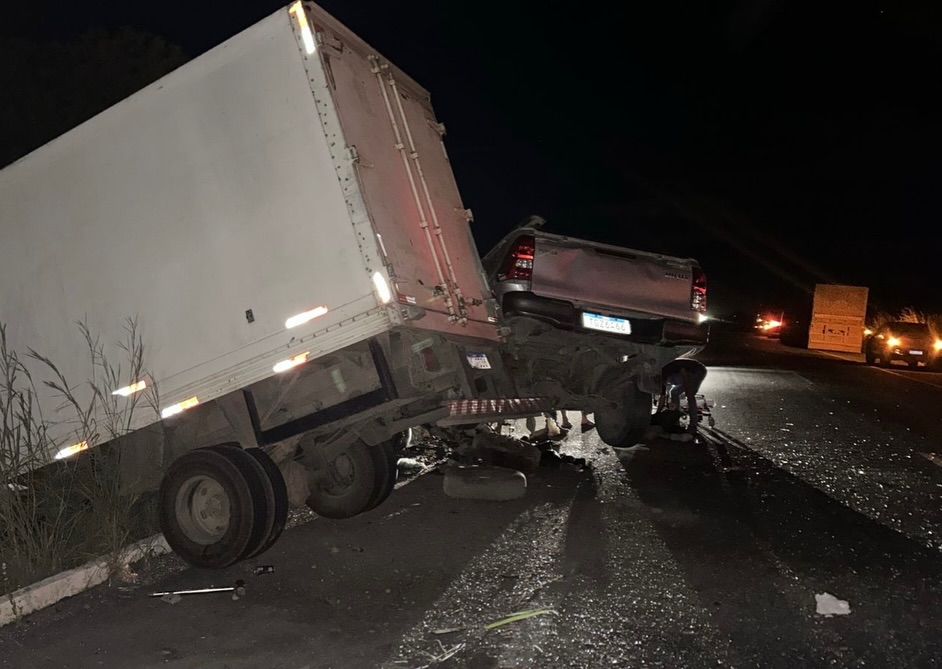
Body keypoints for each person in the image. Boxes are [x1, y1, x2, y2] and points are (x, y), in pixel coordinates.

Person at [656, 357, 707, 433]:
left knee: (690, 395)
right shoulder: (662, 379)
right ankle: (675, 419)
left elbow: (683, 371)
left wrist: (687, 387)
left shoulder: (665, 371)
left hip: (696, 370)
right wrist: (658, 413)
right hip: (683, 374)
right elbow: (663, 396)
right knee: (674, 392)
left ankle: (693, 423)